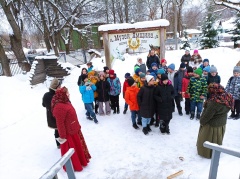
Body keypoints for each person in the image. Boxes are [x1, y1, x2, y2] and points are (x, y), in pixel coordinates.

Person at [52, 87, 91, 171]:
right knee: (73, 151)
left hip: (74, 129)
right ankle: (75, 165)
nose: (68, 94)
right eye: (67, 93)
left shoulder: (65, 102)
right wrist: (63, 137)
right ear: (62, 95)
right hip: (69, 134)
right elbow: (60, 124)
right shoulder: (59, 107)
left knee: (79, 148)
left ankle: (82, 160)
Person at [196, 83, 233, 159]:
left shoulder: (215, 102)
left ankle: (207, 153)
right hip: (221, 122)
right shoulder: (228, 96)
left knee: (208, 139)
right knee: (217, 139)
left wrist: (202, 122)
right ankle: (216, 151)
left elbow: (207, 115)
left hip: (212, 125)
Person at [42, 78, 61, 148]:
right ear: (57, 87)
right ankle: (63, 144)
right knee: (61, 130)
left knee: (56, 130)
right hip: (58, 117)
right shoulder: (57, 95)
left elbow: (43, 105)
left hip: (50, 117)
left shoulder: (46, 95)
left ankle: (58, 144)